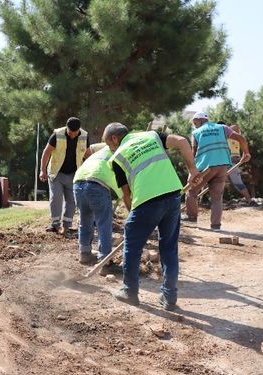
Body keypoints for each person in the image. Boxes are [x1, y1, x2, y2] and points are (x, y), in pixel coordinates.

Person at [108, 123, 199, 311]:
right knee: (169, 248)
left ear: (115, 139)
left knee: (132, 248)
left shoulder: (117, 157)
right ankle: (169, 297)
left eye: (108, 144)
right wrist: (192, 170)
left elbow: (127, 194)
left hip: (146, 201)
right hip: (173, 195)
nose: (110, 148)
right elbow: (182, 141)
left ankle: (130, 292)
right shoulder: (152, 136)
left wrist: (132, 216)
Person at [182, 113, 251, 230]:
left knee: (191, 192)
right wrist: (246, 152)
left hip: (205, 167)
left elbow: (193, 153)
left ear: (200, 120)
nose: (195, 125)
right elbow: (240, 138)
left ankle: (191, 218)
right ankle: (215, 225)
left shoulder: (196, 133)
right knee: (217, 197)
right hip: (222, 166)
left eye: (195, 122)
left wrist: (192, 172)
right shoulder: (222, 128)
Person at [73, 125, 122, 275]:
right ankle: (105, 263)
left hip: (78, 182)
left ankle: (85, 254)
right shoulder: (120, 154)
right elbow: (123, 182)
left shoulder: (101, 151)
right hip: (97, 185)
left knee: (85, 219)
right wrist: (125, 197)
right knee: (103, 223)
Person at [39, 117, 91, 233]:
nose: (72, 135)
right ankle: (55, 225)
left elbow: (88, 154)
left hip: (74, 173)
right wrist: (42, 170)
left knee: (72, 199)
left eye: (75, 133)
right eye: (70, 133)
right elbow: (46, 152)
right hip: (56, 172)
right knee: (56, 197)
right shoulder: (57, 135)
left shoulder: (84, 136)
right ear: (66, 128)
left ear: (79, 130)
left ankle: (67, 225)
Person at [220, 122, 255, 205]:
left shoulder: (230, 137)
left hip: (230, 160)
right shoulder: (237, 137)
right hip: (232, 160)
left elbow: (234, 128)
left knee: (235, 183)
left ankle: (249, 201)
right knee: (226, 182)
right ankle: (249, 200)